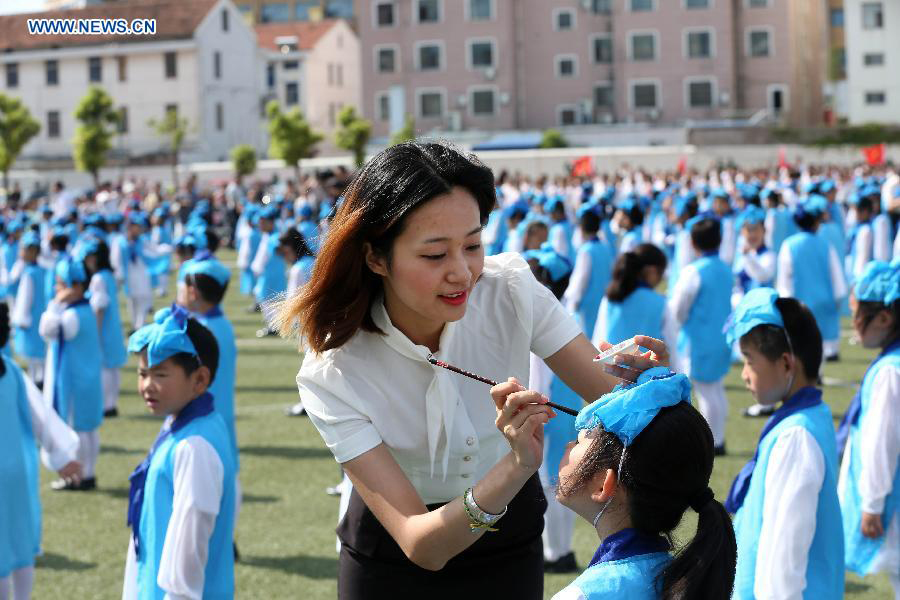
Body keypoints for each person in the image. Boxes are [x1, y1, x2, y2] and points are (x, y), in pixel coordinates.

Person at [279, 142, 668, 599]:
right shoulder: (332, 367)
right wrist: (516, 466)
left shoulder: (513, 289)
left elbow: (616, 402)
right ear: (376, 258)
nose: (462, 273)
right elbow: (421, 544)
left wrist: (646, 387)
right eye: (434, 255)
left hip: (509, 546)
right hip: (390, 562)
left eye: (473, 245)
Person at [551, 367, 736, 599]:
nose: (569, 445)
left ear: (602, 485)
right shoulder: (684, 581)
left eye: (579, 441)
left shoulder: (582, 595)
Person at [725, 288, 844, 599]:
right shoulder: (810, 416)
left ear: (787, 364)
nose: (745, 376)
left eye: (750, 361)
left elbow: (784, 555)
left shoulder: (796, 437)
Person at [122, 308, 236, 600]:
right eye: (142, 373)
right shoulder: (193, 423)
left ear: (199, 380)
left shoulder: (194, 446)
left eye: (160, 374)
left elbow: (191, 536)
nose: (147, 385)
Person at [0, 302, 81, 600]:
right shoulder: (10, 370)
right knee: (20, 544)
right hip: (18, 474)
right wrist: (62, 456)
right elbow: (41, 417)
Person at [836, 260, 900, 597]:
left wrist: (872, 504)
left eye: (858, 314)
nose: (854, 323)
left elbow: (882, 441)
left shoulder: (890, 371)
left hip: (891, 498)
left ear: (885, 318)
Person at [523, 244, 581, 573]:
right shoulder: (566, 314)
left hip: (548, 415)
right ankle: (562, 550)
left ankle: (556, 552)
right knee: (562, 483)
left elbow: (538, 381)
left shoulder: (540, 322)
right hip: (568, 410)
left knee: (549, 485)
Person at [39, 256, 104, 491]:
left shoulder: (71, 315)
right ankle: (86, 474)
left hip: (75, 381)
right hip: (85, 377)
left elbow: (47, 329)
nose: (56, 289)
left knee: (79, 430)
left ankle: (81, 476)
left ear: (76, 287)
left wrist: (54, 305)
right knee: (87, 428)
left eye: (61, 284)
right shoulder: (83, 309)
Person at [669, 216, 733, 455]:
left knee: (706, 392)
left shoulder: (693, 271)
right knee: (715, 388)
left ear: (693, 243)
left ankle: (712, 441)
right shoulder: (725, 268)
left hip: (698, 339)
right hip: (721, 337)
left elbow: (678, 309)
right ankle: (719, 437)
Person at [776, 195, 847, 361]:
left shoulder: (789, 245)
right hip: (824, 302)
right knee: (819, 342)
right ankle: (818, 373)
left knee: (800, 344)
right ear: (816, 221)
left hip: (800, 304)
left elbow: (784, 281)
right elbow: (837, 277)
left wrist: (785, 304)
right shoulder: (825, 245)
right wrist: (837, 299)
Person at [592, 244, 677, 364]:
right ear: (652, 271)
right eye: (661, 274)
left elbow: (598, 338)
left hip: (611, 372)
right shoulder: (661, 303)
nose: (661, 279)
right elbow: (672, 347)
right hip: (647, 376)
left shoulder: (611, 298)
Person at [79, 238, 128, 418]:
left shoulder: (98, 278)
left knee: (105, 368)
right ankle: (112, 403)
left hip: (104, 327)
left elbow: (99, 308)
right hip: (113, 326)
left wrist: (95, 334)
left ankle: (106, 405)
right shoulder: (109, 275)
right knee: (113, 368)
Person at [564, 209, 613, 340]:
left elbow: (580, 280)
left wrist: (572, 304)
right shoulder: (605, 247)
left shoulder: (586, 250)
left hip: (588, 304)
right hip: (603, 300)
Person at [11, 231, 47, 387]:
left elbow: (25, 299)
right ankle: (41, 378)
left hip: (30, 319)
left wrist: (21, 319)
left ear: (32, 251)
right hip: (39, 315)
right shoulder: (41, 270)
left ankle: (36, 381)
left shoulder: (29, 273)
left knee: (33, 355)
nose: (21, 252)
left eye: (23, 249)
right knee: (40, 352)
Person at [251, 205, 286, 337]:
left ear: (271, 222)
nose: (260, 226)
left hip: (271, 275)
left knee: (270, 300)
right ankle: (273, 326)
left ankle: (274, 327)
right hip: (267, 275)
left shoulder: (274, 237)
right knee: (265, 299)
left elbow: (278, 250)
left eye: (263, 223)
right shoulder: (268, 235)